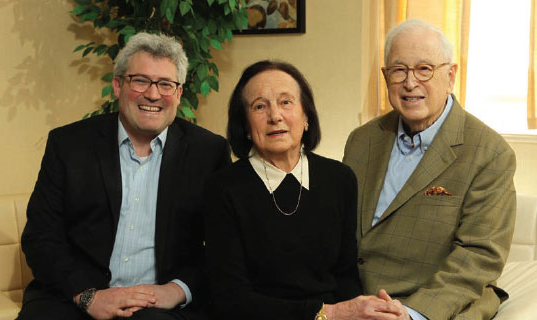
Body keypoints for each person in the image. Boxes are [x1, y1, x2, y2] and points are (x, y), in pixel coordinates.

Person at [18, 32, 230, 320]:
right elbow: (40, 238)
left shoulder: (208, 152)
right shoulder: (69, 145)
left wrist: (178, 290)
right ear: (118, 85)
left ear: (178, 94)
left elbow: (225, 247)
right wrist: (87, 296)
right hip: (75, 297)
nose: (153, 94)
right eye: (140, 80)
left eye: (165, 84)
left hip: (159, 306)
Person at [343, 19, 516, 320]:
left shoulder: (490, 153)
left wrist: (411, 314)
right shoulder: (363, 140)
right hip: (355, 303)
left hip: (430, 307)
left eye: (424, 69)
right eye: (399, 70)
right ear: (385, 77)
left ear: (450, 76)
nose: (410, 83)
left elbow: (479, 256)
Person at [203, 60, 404, 320]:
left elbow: (345, 277)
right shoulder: (223, 188)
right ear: (245, 125)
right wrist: (326, 314)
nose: (275, 116)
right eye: (260, 106)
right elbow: (231, 300)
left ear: (306, 116)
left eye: (286, 102)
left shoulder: (339, 179)